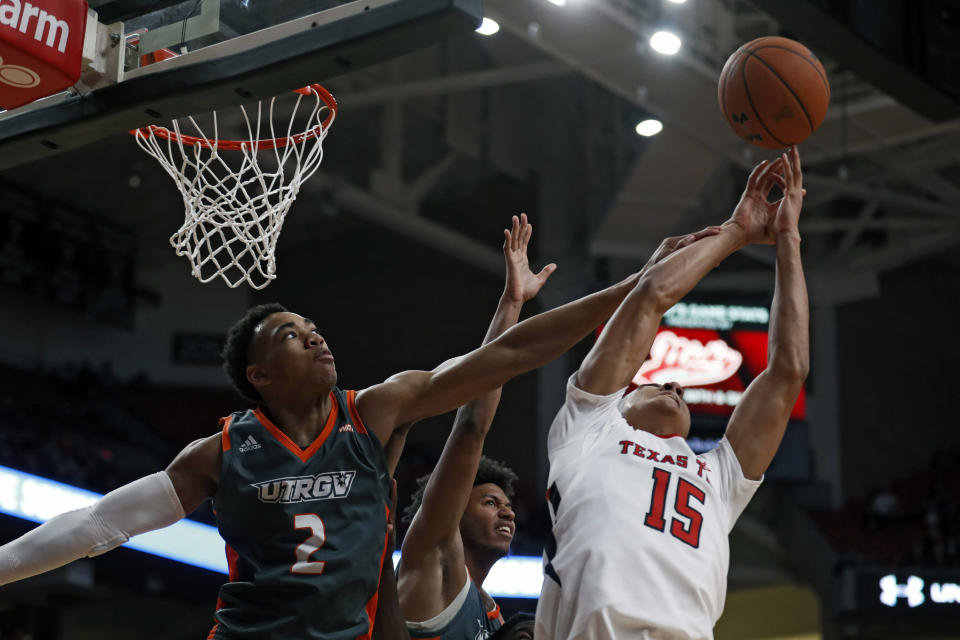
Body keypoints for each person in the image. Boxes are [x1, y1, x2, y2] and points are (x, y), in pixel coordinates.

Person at [0, 214, 648, 640]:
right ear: (260, 374)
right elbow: (96, 525)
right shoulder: (222, 453)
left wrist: (639, 288)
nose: (314, 338)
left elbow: (498, 367)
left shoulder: (375, 412)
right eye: (291, 335)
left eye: (314, 329)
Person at [536, 147, 809, 640]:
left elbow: (788, 370)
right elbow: (650, 299)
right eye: (652, 382)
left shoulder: (718, 477)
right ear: (617, 401)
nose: (674, 383)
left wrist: (788, 239)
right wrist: (738, 230)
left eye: (675, 384)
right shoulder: (589, 429)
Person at [398, 216, 553, 640]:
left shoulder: (493, 614)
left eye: (505, 503)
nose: (507, 510)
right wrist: (513, 303)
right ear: (451, 511)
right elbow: (471, 425)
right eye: (489, 502)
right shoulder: (431, 559)